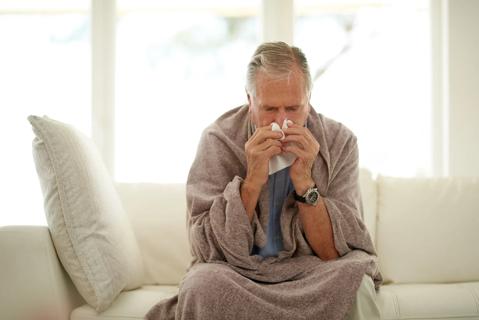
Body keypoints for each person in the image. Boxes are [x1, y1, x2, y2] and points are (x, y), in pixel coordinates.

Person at [147, 41, 382, 320]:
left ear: (309, 99)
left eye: (293, 108)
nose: (282, 122)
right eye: (269, 109)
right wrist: (252, 181)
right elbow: (208, 250)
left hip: (311, 272)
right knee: (203, 285)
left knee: (356, 280)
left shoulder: (340, 141)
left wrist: (304, 181)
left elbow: (333, 252)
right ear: (250, 100)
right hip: (238, 273)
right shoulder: (218, 140)